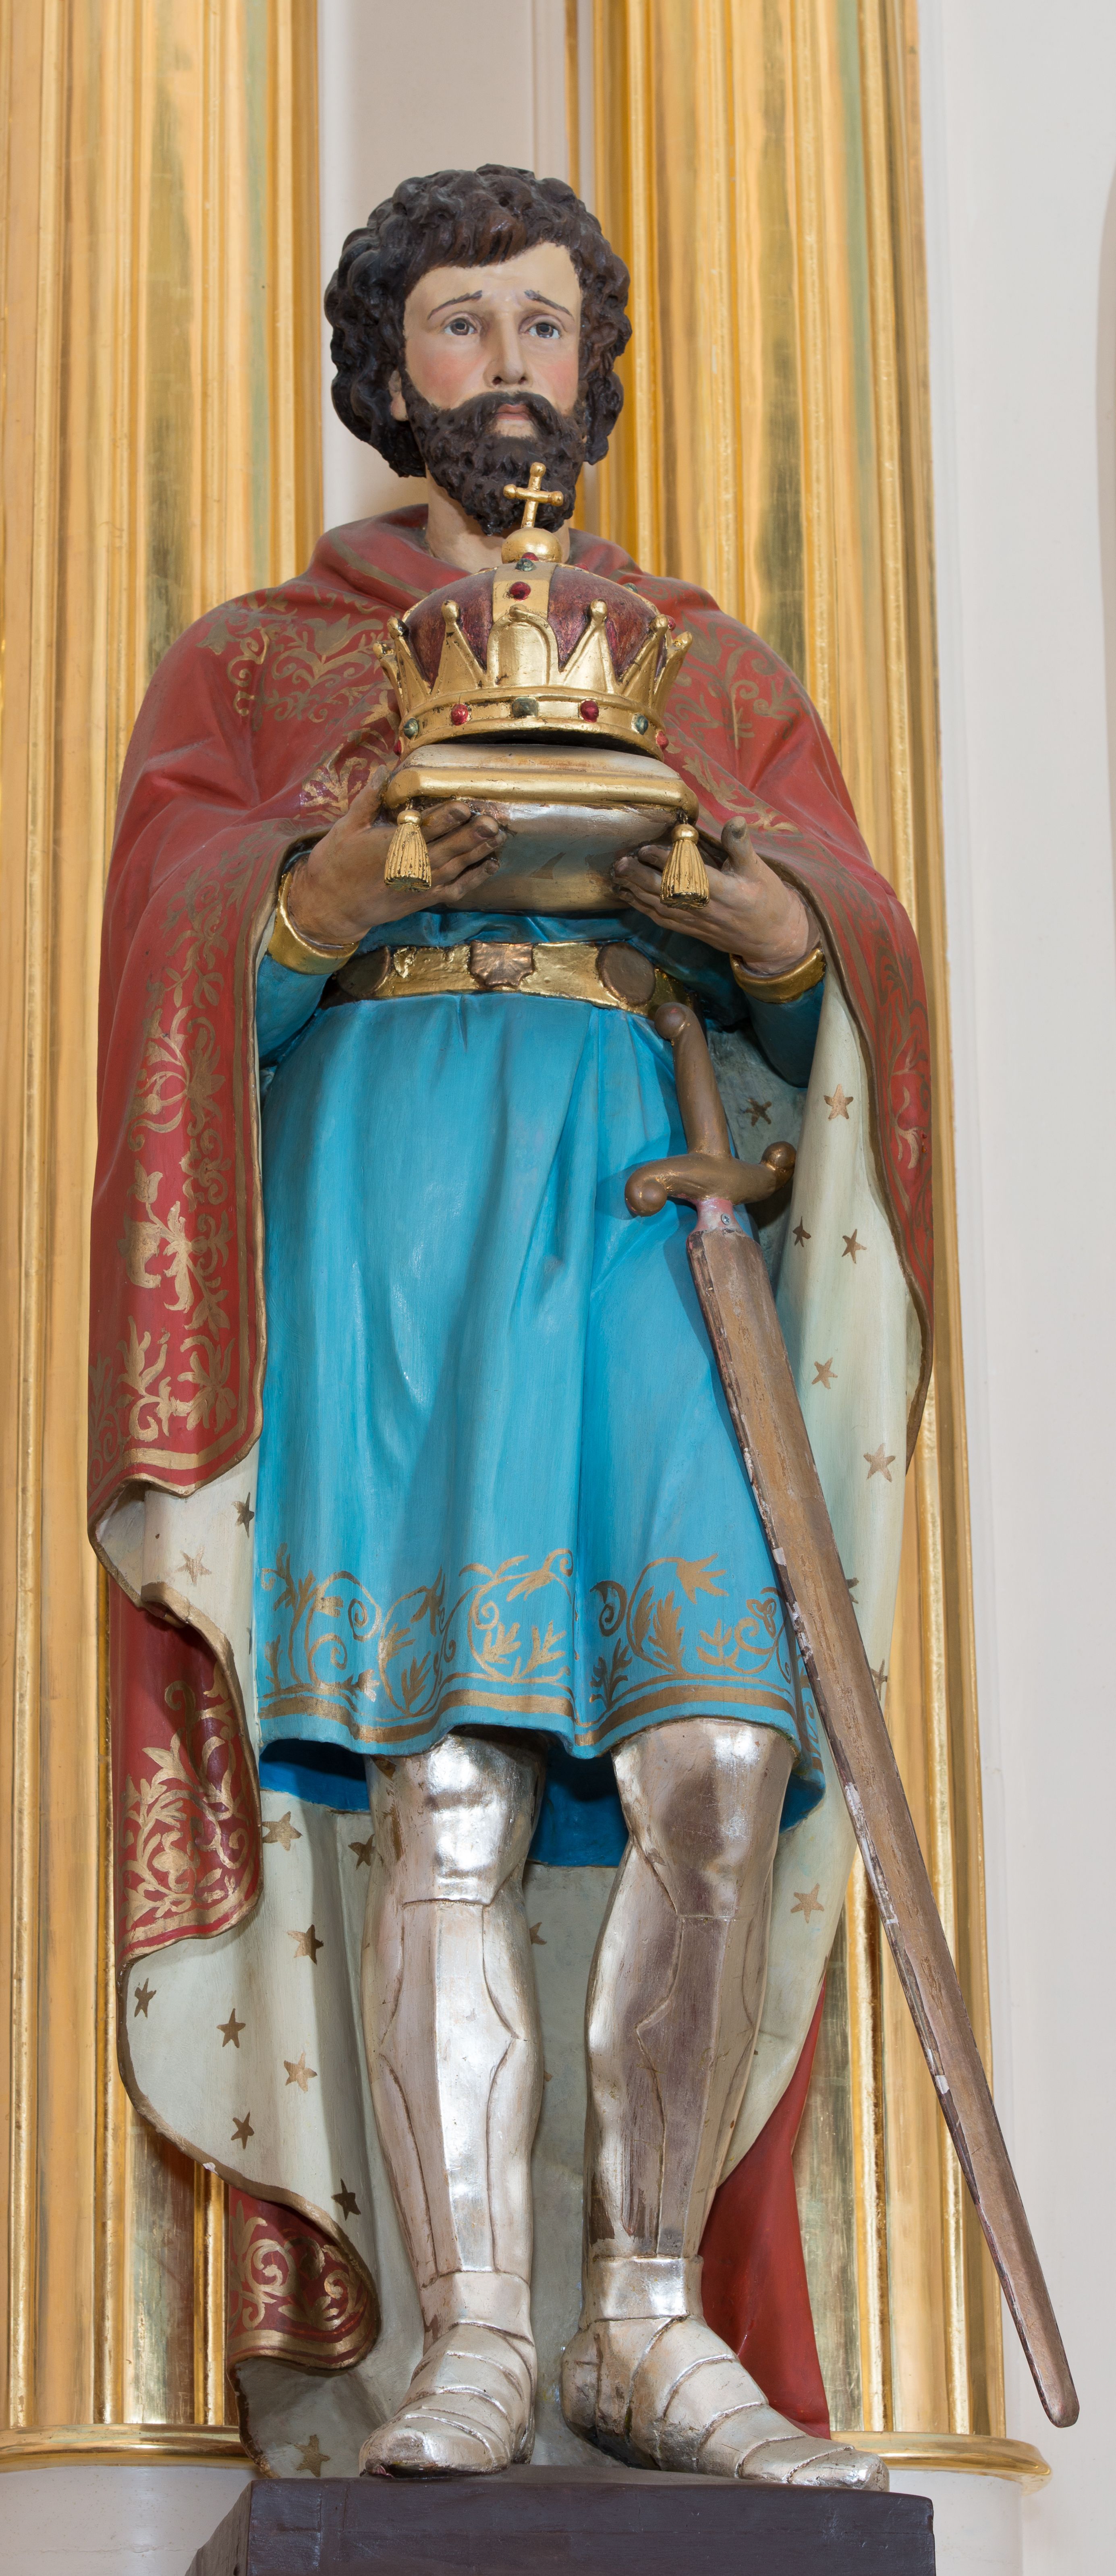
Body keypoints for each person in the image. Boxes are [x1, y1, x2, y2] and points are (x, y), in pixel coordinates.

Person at [91, 167, 930, 2483]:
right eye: (461, 327)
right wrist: (336, 880)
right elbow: (170, 953)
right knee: (445, 1778)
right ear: (391, 370)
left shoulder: (710, 666)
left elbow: (850, 962)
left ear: (594, 364)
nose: (509, 370)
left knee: (718, 1757)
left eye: (543, 326)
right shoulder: (259, 661)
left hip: (649, 1221)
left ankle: (643, 2319)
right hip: (397, 1223)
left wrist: (752, 916)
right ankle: (473, 2330)